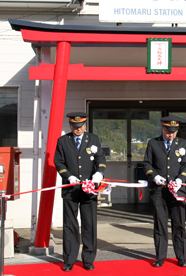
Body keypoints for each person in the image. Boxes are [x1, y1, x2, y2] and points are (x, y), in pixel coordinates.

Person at [54, 112, 106, 272]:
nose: (78, 129)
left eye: (81, 126)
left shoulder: (93, 139)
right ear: (70, 126)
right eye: (75, 127)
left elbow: (100, 160)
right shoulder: (63, 141)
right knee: (70, 225)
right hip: (71, 189)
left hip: (89, 189)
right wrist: (68, 176)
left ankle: (88, 259)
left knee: (89, 224)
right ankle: (69, 259)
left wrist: (99, 174)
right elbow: (59, 162)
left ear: (85, 125)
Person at [143, 115, 186, 268]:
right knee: (160, 224)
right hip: (158, 190)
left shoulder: (183, 143)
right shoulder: (153, 143)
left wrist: (180, 180)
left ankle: (181, 257)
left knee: (179, 224)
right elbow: (147, 164)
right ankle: (160, 257)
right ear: (162, 128)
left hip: (177, 190)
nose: (171, 134)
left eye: (174, 131)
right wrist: (155, 176)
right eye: (168, 131)